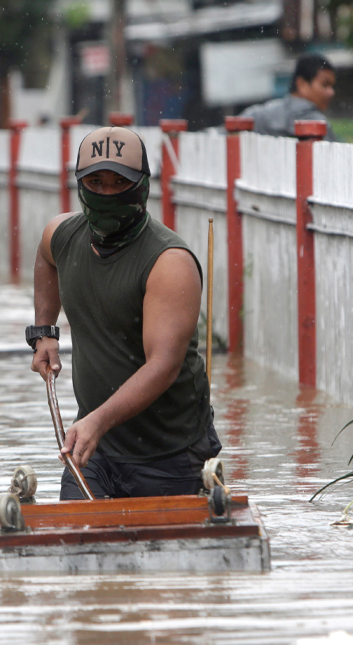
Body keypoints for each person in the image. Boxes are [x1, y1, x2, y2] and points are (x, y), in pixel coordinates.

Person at [30, 126, 220, 500]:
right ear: (80, 185)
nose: (106, 193)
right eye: (95, 182)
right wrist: (44, 331)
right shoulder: (63, 236)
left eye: (119, 182)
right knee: (75, 545)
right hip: (95, 453)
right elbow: (44, 257)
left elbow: (162, 366)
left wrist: (96, 421)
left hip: (169, 454)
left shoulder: (169, 263)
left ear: (143, 185)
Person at [240, 53, 337, 141]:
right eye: (325, 84)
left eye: (332, 86)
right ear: (302, 84)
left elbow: (228, 133)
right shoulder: (316, 122)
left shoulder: (260, 115)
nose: (331, 92)